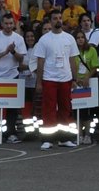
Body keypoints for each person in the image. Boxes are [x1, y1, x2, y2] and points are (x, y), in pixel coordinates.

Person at [30, 12, 81, 150]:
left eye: (59, 18)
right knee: (49, 109)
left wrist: (74, 78)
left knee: (66, 108)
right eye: (55, 19)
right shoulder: (44, 40)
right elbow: (40, 61)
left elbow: (72, 59)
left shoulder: (69, 38)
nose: (58, 20)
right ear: (50, 21)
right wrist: (39, 82)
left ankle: (65, 138)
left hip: (65, 79)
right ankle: (48, 139)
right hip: (49, 78)